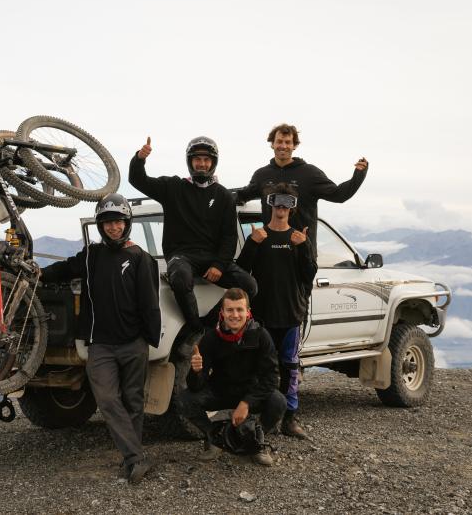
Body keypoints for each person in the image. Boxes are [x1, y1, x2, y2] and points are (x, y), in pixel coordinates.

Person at [39, 193, 161, 484]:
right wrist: (38, 273)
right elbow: (65, 268)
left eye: (118, 222)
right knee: (107, 400)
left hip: (134, 343)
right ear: (101, 226)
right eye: (107, 223)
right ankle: (136, 457)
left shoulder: (140, 258)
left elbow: (150, 302)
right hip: (100, 345)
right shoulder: (92, 255)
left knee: (133, 401)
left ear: (127, 223)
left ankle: (131, 459)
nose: (113, 227)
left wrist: (148, 340)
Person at [129, 136, 257, 347]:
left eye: (206, 160)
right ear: (190, 161)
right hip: (181, 256)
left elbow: (229, 237)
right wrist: (140, 159)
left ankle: (209, 324)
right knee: (180, 277)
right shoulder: (173, 187)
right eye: (197, 159)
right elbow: (137, 180)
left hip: (212, 259)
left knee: (250, 285)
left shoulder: (224, 195)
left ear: (213, 162)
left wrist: (219, 265)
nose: (202, 164)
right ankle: (196, 328)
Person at [236, 183, 318, 439]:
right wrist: (252, 243)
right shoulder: (259, 236)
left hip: (291, 314)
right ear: (270, 203)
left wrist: (303, 247)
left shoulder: (299, 238)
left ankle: (290, 419)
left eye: (287, 202)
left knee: (290, 368)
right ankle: (261, 418)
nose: (281, 207)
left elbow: (309, 275)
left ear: (293, 208)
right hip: (262, 315)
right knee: (260, 367)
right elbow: (241, 270)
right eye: (277, 201)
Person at [177, 288, 287, 466]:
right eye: (230, 310)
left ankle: (256, 441)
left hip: (250, 392)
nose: (235, 315)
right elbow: (195, 386)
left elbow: (272, 378)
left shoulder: (261, 336)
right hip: (220, 391)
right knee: (184, 399)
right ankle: (215, 438)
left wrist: (246, 403)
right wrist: (196, 371)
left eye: (239, 310)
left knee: (279, 402)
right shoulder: (211, 337)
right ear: (222, 312)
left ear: (248, 312)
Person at [236, 123, 369, 252]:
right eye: (279, 141)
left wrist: (359, 174)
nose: (283, 146)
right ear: (272, 144)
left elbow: (339, 195)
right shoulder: (262, 175)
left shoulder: (310, 174)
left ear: (295, 145)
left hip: (302, 253)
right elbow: (242, 195)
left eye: (288, 142)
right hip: (269, 252)